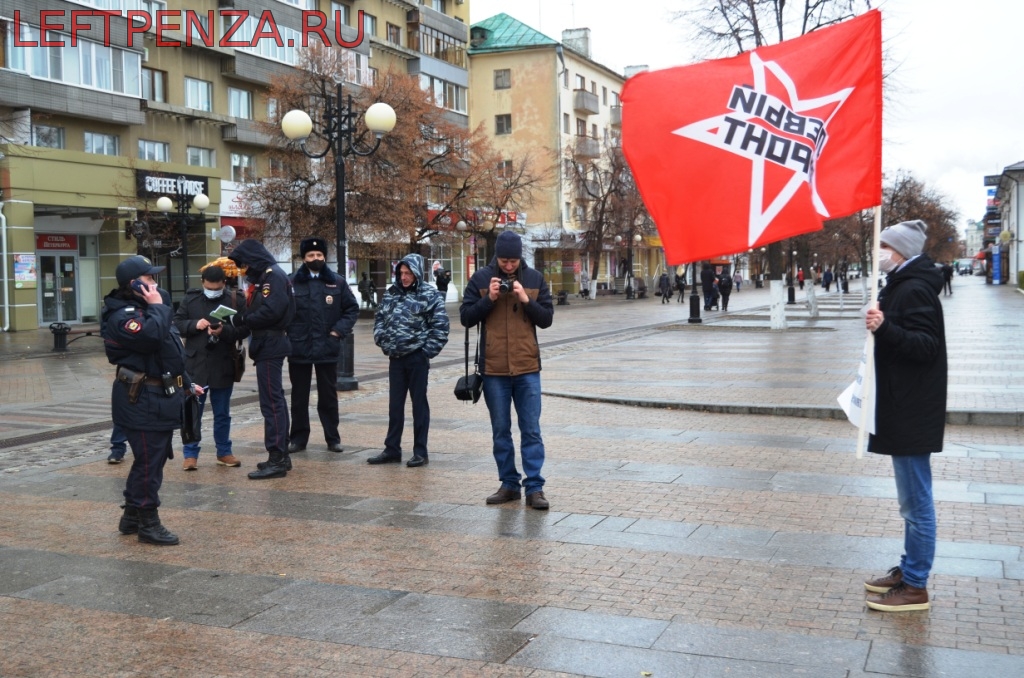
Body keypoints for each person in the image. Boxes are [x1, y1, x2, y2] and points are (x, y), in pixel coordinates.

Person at [863, 219, 947, 612]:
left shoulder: (913, 288)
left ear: (900, 251)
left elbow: (925, 346)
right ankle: (908, 569)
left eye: (883, 245)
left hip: (912, 408)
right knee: (911, 502)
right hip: (905, 403)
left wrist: (885, 328)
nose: (878, 250)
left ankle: (915, 586)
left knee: (916, 502)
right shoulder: (903, 283)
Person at [102, 255, 202, 546]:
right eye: (149, 279)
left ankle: (132, 516)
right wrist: (158, 305)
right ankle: (148, 521)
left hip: (159, 395)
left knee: (152, 459)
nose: (155, 284)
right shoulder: (123, 316)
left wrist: (186, 383)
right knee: (149, 461)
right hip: (140, 397)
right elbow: (151, 337)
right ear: (132, 284)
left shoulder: (152, 309)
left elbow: (170, 353)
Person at [460, 231, 554, 510]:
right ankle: (509, 483)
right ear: (497, 256)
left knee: (531, 429)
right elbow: (466, 317)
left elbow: (547, 319)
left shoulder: (535, 279)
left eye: (513, 261)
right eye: (504, 260)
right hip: (494, 370)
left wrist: (525, 298)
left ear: (519, 257)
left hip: (527, 368)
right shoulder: (480, 279)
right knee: (500, 430)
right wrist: (488, 298)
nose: (509, 266)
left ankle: (534, 487)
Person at [369, 254, 450, 467]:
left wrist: (426, 352)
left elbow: (440, 327)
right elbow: (380, 319)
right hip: (395, 357)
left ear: (416, 273)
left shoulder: (429, 295)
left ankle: (420, 451)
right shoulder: (391, 294)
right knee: (395, 406)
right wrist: (382, 339)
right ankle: (392, 449)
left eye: (408, 273)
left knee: (419, 406)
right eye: (401, 273)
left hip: (417, 357)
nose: (404, 277)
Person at [227, 239, 296, 479]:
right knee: (274, 400)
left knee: (272, 403)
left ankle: (276, 457)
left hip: (271, 343)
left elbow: (271, 311)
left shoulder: (272, 276)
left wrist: (244, 321)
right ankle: (281, 455)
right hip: (267, 343)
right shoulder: (267, 277)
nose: (244, 269)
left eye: (244, 264)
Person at [287, 237, 359, 455]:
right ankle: (298, 439)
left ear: (325, 257)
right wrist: (289, 334)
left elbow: (351, 309)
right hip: (299, 348)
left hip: (327, 348)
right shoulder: (291, 282)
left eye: (319, 255)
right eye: (311, 255)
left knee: (328, 396)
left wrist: (338, 331)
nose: (315, 259)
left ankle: (332, 438)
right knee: (299, 397)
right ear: (303, 258)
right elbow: (283, 311)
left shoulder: (337, 281)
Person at [172, 265, 244, 470]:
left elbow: (244, 328)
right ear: (202, 282)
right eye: (209, 287)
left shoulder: (234, 300)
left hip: (223, 363)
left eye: (217, 287)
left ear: (224, 284)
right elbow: (176, 323)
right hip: (196, 364)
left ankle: (224, 451)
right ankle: (190, 454)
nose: (213, 290)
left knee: (222, 412)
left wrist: (224, 331)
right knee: (193, 411)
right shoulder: (191, 299)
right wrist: (195, 325)